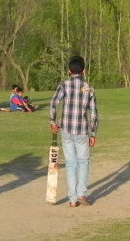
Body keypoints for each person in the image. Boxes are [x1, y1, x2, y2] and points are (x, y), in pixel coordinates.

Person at [50, 55, 99, 207]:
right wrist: (93, 133)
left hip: (66, 129)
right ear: (83, 71)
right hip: (82, 131)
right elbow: (94, 114)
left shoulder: (63, 85)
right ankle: (81, 194)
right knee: (83, 162)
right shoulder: (89, 88)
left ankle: (72, 200)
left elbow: (54, 103)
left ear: (68, 71)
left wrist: (53, 121)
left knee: (71, 164)